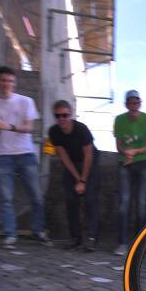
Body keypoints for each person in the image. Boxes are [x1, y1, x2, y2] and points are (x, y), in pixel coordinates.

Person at [0, 66, 52, 249]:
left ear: (15, 83)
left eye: (10, 81)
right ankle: (11, 235)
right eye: (3, 80)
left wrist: (8, 126)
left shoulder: (26, 101)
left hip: (25, 153)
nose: (7, 84)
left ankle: (38, 230)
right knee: (6, 198)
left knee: (36, 195)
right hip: (3, 155)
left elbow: (29, 128)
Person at [48, 100, 99, 251]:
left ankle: (92, 237)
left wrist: (83, 181)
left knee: (90, 198)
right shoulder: (54, 132)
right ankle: (75, 237)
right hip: (71, 164)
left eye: (65, 115)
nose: (61, 119)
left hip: (89, 162)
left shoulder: (82, 129)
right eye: (58, 116)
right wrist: (77, 179)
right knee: (71, 199)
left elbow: (89, 156)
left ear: (70, 115)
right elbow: (64, 157)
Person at [113, 90, 146, 255]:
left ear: (140, 103)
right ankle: (122, 242)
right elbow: (119, 146)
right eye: (131, 103)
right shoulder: (119, 120)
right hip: (125, 164)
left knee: (141, 203)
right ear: (126, 104)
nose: (134, 106)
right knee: (124, 202)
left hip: (142, 163)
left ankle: (140, 243)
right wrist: (126, 153)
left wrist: (132, 152)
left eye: (137, 103)